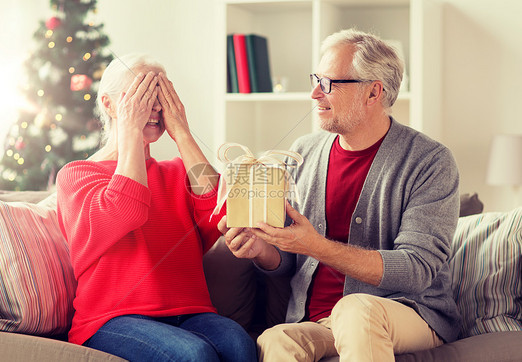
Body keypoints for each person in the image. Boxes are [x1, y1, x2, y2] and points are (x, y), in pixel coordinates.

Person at [218, 29, 461, 362]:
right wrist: (263, 249)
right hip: (319, 320)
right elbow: (293, 257)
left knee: (355, 309)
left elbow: (417, 269)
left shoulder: (429, 161)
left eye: (329, 83)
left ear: (373, 92)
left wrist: (315, 245)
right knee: (276, 340)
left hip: (408, 313)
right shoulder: (303, 152)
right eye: (316, 79)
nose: (315, 94)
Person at [56, 54, 257, 362]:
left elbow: (222, 208)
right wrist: (132, 133)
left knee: (239, 345)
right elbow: (127, 209)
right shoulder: (78, 175)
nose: (154, 106)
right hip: (111, 320)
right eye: (141, 94)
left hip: (190, 313)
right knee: (195, 355)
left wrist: (183, 133)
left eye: (161, 96)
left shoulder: (177, 171)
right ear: (109, 105)